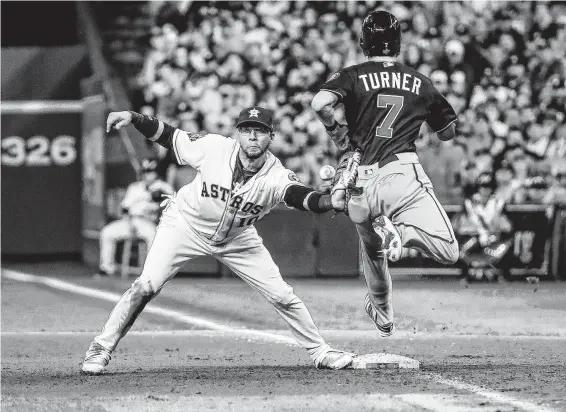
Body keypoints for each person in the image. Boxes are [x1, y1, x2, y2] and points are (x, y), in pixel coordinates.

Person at [81, 106, 354, 374]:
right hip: (184, 225)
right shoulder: (214, 147)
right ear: (238, 134)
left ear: (271, 137)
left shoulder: (275, 174)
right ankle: (101, 348)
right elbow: (170, 136)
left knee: (282, 295)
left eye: (260, 131)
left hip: (238, 238)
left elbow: (300, 196)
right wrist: (135, 118)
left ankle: (320, 352)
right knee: (145, 286)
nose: (253, 137)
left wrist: (330, 200)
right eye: (247, 130)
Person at [311, 10, 459, 337]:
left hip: (360, 182)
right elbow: (448, 132)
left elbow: (319, 103)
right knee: (449, 251)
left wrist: (338, 134)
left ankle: (382, 312)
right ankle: (400, 233)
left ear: (364, 43)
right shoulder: (418, 81)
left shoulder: (353, 74)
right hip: (401, 172)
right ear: (398, 43)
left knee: (372, 249)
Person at [98, 158, 174, 276]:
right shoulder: (134, 187)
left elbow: (171, 204)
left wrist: (158, 195)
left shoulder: (164, 187)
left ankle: (153, 271)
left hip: (149, 223)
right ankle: (107, 268)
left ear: (157, 173)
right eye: (145, 172)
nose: (147, 176)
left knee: (153, 236)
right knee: (107, 232)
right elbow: (125, 208)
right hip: (130, 221)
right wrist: (128, 222)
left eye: (150, 172)